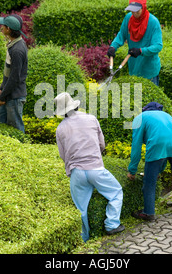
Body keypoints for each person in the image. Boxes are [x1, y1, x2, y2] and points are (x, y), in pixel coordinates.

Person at [54, 92, 125, 242]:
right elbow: (101, 145)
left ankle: (83, 239)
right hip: (96, 169)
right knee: (116, 192)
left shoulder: (60, 129)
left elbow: (63, 155)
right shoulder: (91, 119)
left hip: (76, 173)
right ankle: (112, 224)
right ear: (76, 106)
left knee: (81, 209)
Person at [127, 102, 172, 221]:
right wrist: (158, 170)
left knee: (149, 181)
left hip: (158, 145)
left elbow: (136, 146)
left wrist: (132, 170)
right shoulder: (166, 115)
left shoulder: (139, 118)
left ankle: (148, 213)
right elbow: (166, 150)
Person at [107, 0, 163, 86]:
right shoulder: (128, 18)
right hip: (133, 67)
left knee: (150, 99)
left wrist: (141, 51)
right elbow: (121, 35)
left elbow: (158, 46)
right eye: (132, 10)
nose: (134, 13)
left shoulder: (153, 22)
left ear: (143, 8)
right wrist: (113, 46)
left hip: (149, 70)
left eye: (137, 11)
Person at [0, 14, 28, 133]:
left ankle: (23, 150)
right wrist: (1, 89)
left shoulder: (17, 50)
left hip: (14, 97)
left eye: (3, 26)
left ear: (8, 29)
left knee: (17, 129)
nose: (1, 27)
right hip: (9, 93)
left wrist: (3, 97)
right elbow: (8, 73)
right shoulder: (13, 45)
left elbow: (14, 78)